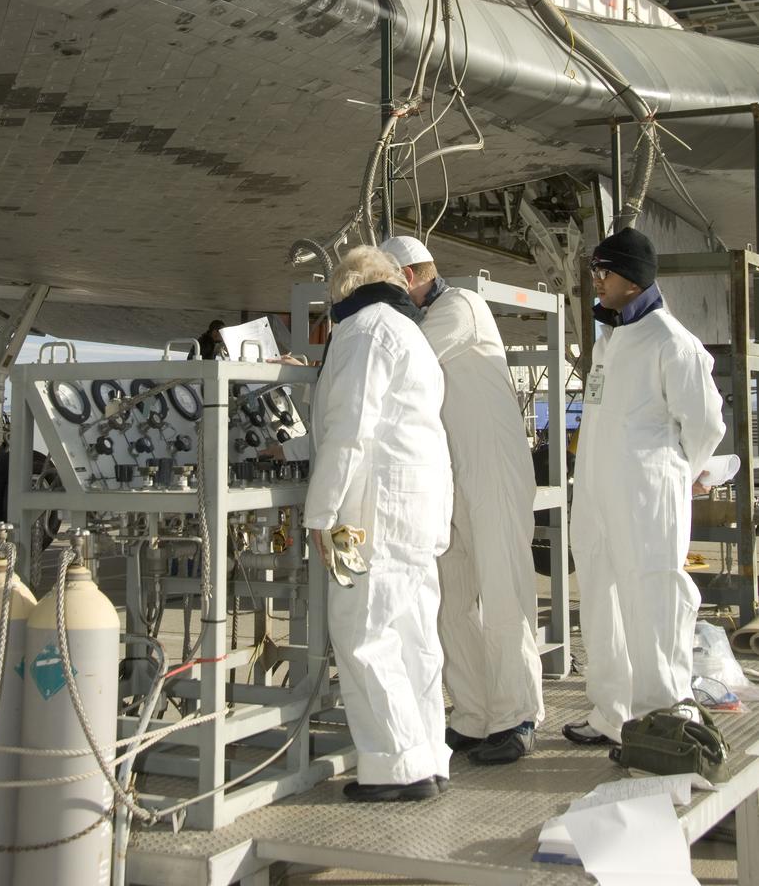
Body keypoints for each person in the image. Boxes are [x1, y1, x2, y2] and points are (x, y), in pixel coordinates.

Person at [382, 236, 544, 766]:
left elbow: (408, 363)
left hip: (493, 467)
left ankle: (517, 716)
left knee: (503, 591)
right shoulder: (421, 320)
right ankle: (473, 715)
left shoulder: (459, 307)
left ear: (408, 277)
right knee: (451, 600)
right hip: (451, 474)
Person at [302, 245, 453, 802]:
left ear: (343, 290)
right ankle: (429, 754)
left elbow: (349, 431)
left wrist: (320, 516)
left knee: (361, 634)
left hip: (361, 516)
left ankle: (395, 766)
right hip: (414, 513)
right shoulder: (409, 332)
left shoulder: (362, 331)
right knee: (415, 638)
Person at [564, 227, 725, 746]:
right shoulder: (611, 340)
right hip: (597, 495)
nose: (595, 283)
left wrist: (678, 474)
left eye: (602, 273)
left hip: (647, 499)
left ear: (630, 280)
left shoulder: (673, 343)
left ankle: (661, 717)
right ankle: (612, 712)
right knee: (601, 599)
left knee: (653, 598)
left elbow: (704, 425)